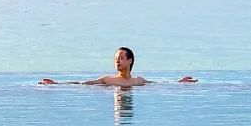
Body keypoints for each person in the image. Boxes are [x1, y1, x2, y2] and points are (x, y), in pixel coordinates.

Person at [39, 47, 197, 86]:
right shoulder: (107, 80)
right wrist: (56, 84)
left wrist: (180, 82)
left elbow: (160, 84)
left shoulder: (138, 81)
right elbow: (83, 83)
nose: (117, 61)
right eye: (116, 58)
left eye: (121, 58)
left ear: (129, 61)